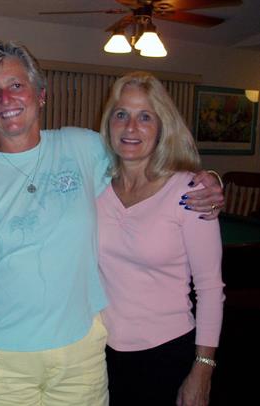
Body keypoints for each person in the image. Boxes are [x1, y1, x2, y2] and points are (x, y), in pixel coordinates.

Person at [0, 40, 224, 406]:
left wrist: (206, 181)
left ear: (41, 94)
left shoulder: (83, 148)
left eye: (16, 85)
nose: (6, 99)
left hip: (80, 360)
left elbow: (145, 161)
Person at [97, 72, 224, 406]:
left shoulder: (189, 192)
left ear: (161, 126)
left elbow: (210, 289)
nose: (130, 127)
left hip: (166, 355)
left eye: (145, 117)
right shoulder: (96, 186)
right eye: (121, 114)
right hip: (100, 354)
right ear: (109, 122)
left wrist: (203, 369)